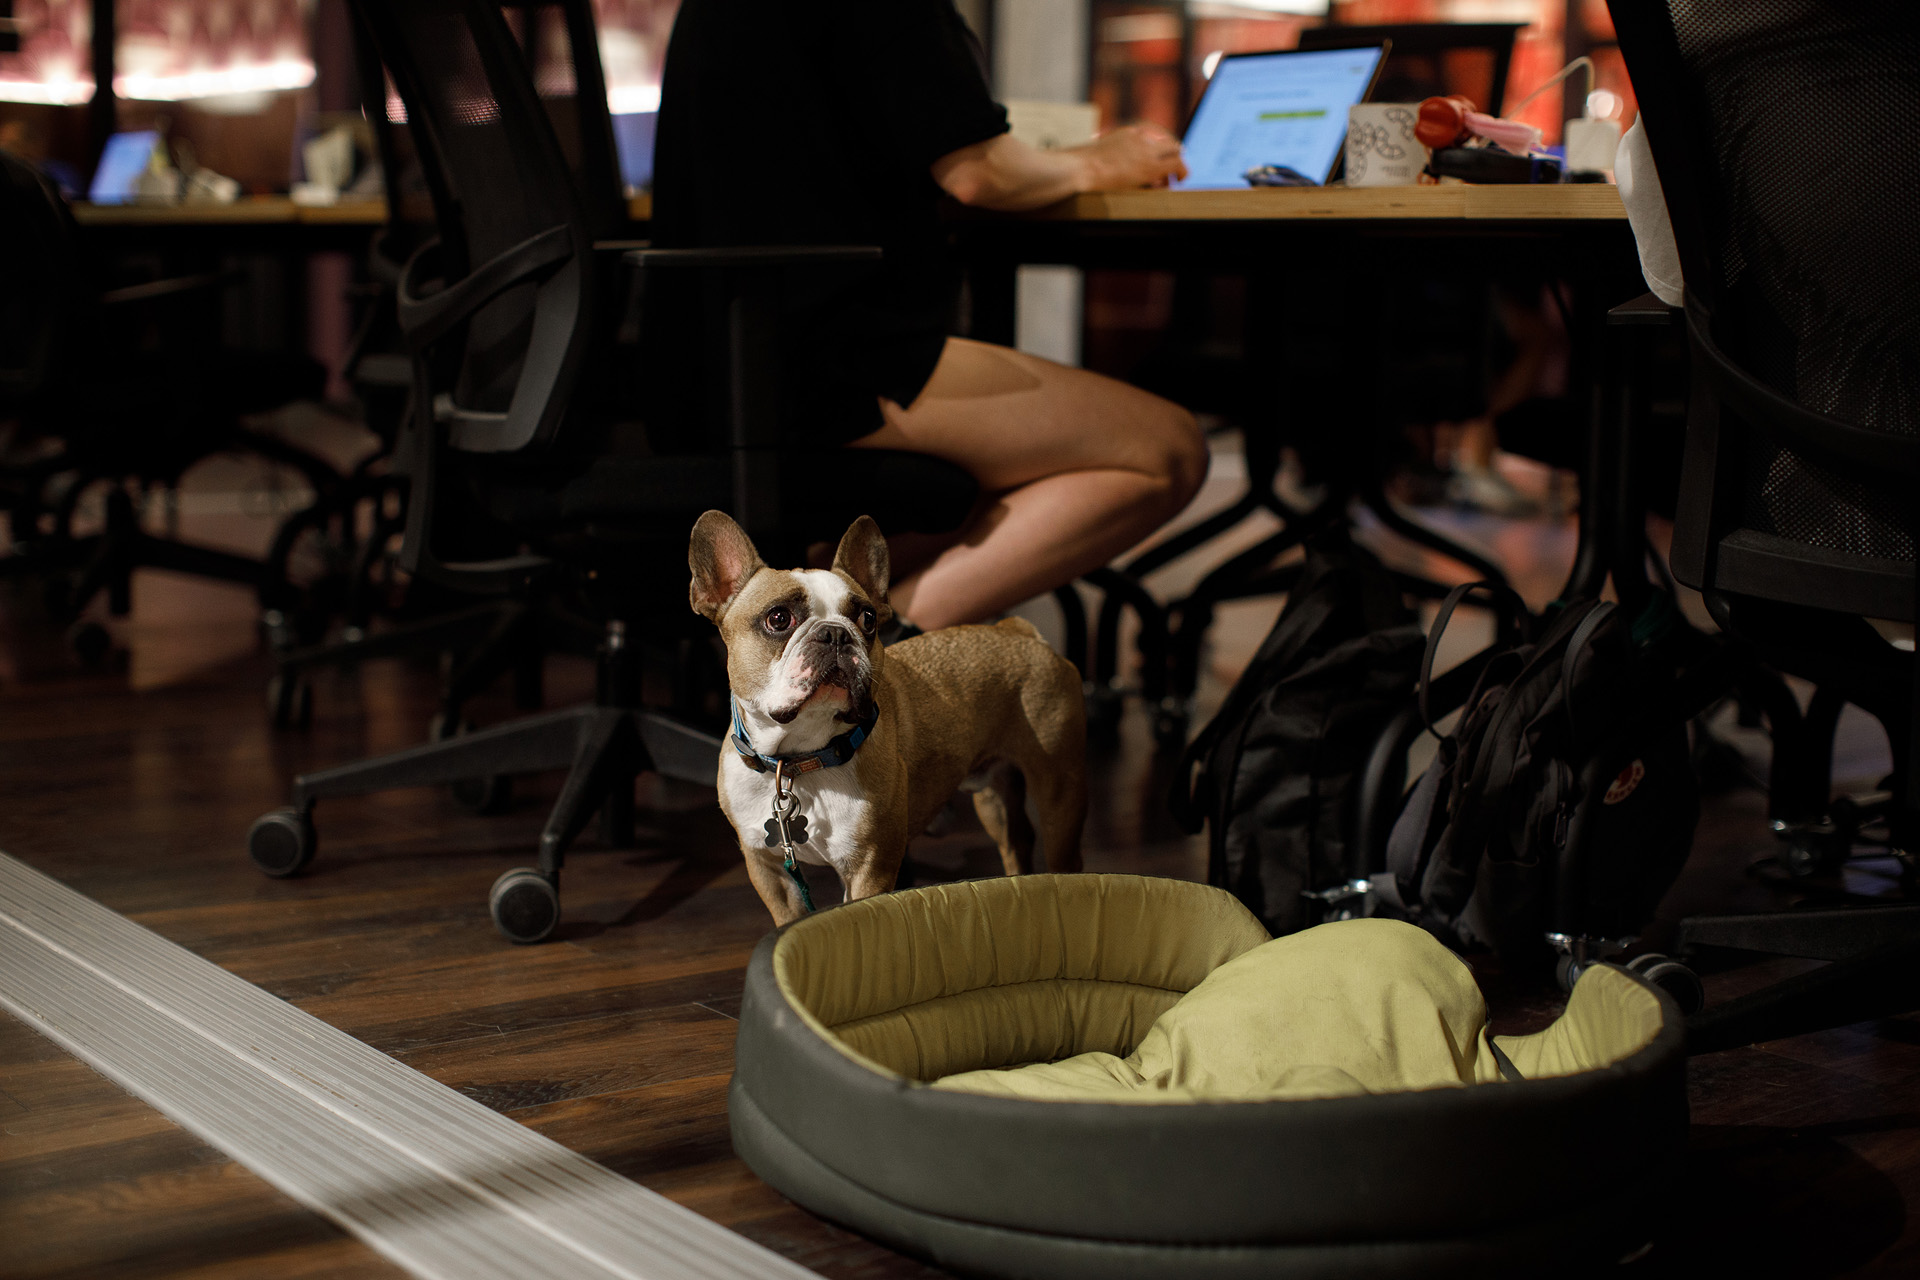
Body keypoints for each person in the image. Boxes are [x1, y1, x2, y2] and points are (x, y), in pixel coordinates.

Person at [647, 0, 1206, 631]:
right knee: (1168, 450)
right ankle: (882, 657)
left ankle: (815, 640)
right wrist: (1101, 161)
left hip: (706, 360)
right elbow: (977, 172)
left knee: (1009, 473)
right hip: (829, 359)